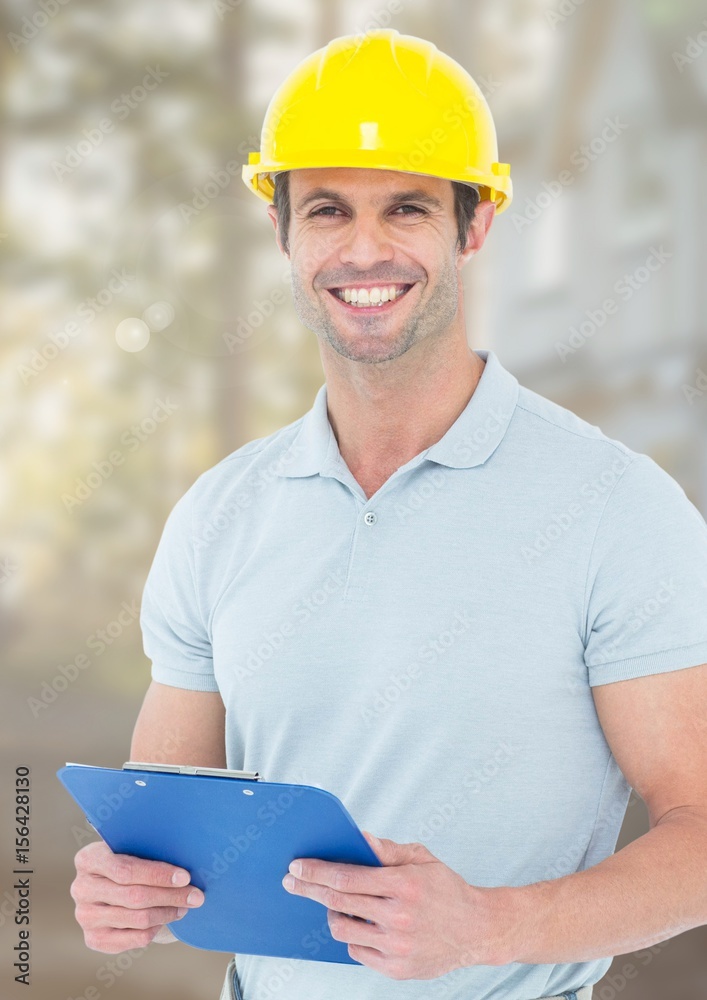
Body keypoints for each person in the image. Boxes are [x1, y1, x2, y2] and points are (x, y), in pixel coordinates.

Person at [70, 29, 707, 1000]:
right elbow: (170, 819)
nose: (363, 250)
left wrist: (489, 925)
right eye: (327, 209)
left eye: (405, 207)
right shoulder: (218, 515)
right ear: (281, 229)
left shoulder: (613, 506)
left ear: (475, 221)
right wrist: (125, 887)